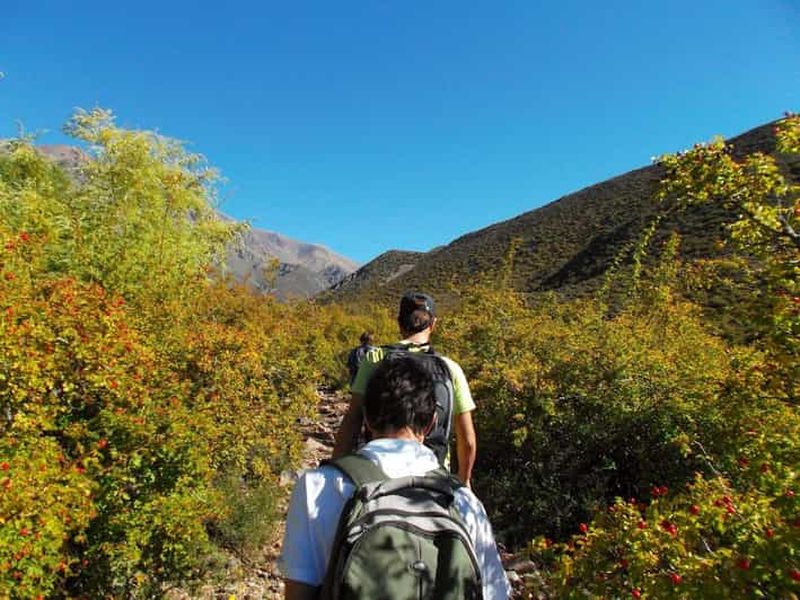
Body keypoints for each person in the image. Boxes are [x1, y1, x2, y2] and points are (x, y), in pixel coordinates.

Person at [279, 356, 511, 600]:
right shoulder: (462, 499)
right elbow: (495, 593)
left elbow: (298, 592)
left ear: (366, 418)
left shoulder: (317, 485)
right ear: (432, 423)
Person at [332, 291, 477, 487]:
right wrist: (464, 480)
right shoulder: (450, 367)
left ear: (399, 322)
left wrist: (336, 466)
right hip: (434, 477)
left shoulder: (375, 358)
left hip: (374, 473)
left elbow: (353, 418)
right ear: (434, 324)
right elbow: (467, 439)